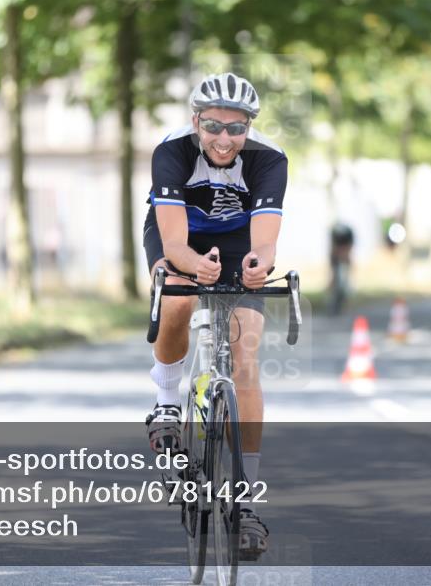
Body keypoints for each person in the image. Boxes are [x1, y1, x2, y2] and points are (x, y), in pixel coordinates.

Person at [142, 72, 287, 557]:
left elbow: (265, 241)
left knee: (246, 351)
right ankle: (166, 399)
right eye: (213, 126)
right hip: (179, 232)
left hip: (236, 238)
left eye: (237, 127)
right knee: (179, 295)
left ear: (250, 127)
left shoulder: (270, 159)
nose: (224, 139)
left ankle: (245, 503)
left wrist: (258, 266)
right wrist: (191, 267)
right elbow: (175, 242)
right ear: (195, 121)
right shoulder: (172, 152)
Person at [328, 222, 354, 315]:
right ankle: (333, 303)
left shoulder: (349, 234)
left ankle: (345, 304)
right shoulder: (334, 235)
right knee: (335, 280)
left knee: (346, 282)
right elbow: (333, 249)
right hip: (335, 258)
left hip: (345, 257)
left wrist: (345, 257)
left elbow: (349, 248)